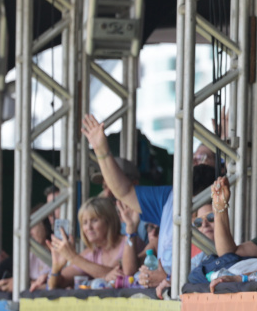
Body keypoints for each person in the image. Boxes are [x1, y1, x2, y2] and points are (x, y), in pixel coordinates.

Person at [84, 111, 217, 288]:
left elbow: (221, 265)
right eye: (193, 157)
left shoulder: (228, 202)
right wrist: (101, 150)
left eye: (202, 157)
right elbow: (123, 191)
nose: (195, 162)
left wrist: (170, 278)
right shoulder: (168, 197)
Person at [31, 196, 139, 290]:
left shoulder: (129, 240)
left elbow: (126, 276)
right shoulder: (91, 253)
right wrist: (56, 267)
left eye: (94, 220)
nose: (88, 228)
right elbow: (57, 284)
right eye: (84, 222)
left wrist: (73, 257)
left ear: (109, 221)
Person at [91, 156, 149, 246]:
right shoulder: (105, 217)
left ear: (134, 184)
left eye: (113, 187)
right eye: (105, 187)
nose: (107, 194)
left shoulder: (148, 218)